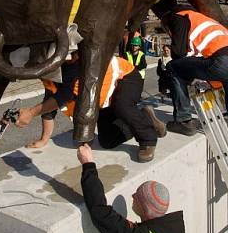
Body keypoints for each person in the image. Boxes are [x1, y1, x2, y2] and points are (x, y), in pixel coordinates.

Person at [159, 8, 228, 184]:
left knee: (172, 67)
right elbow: (200, 55)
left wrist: (167, 78)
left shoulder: (178, 17)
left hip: (224, 62)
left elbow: (179, 54)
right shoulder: (206, 22)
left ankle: (184, 120)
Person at [16, 56, 166, 162]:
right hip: (106, 98)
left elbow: (64, 96)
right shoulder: (51, 76)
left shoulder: (74, 69)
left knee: (123, 107)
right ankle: (145, 119)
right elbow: (48, 107)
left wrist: (30, 112)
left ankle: (148, 139)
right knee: (107, 141)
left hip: (126, 76)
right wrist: (43, 140)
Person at [77, 144, 185, 233]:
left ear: (145, 210)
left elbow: (101, 212)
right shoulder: (174, 230)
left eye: (137, 197)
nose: (133, 195)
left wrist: (88, 164)